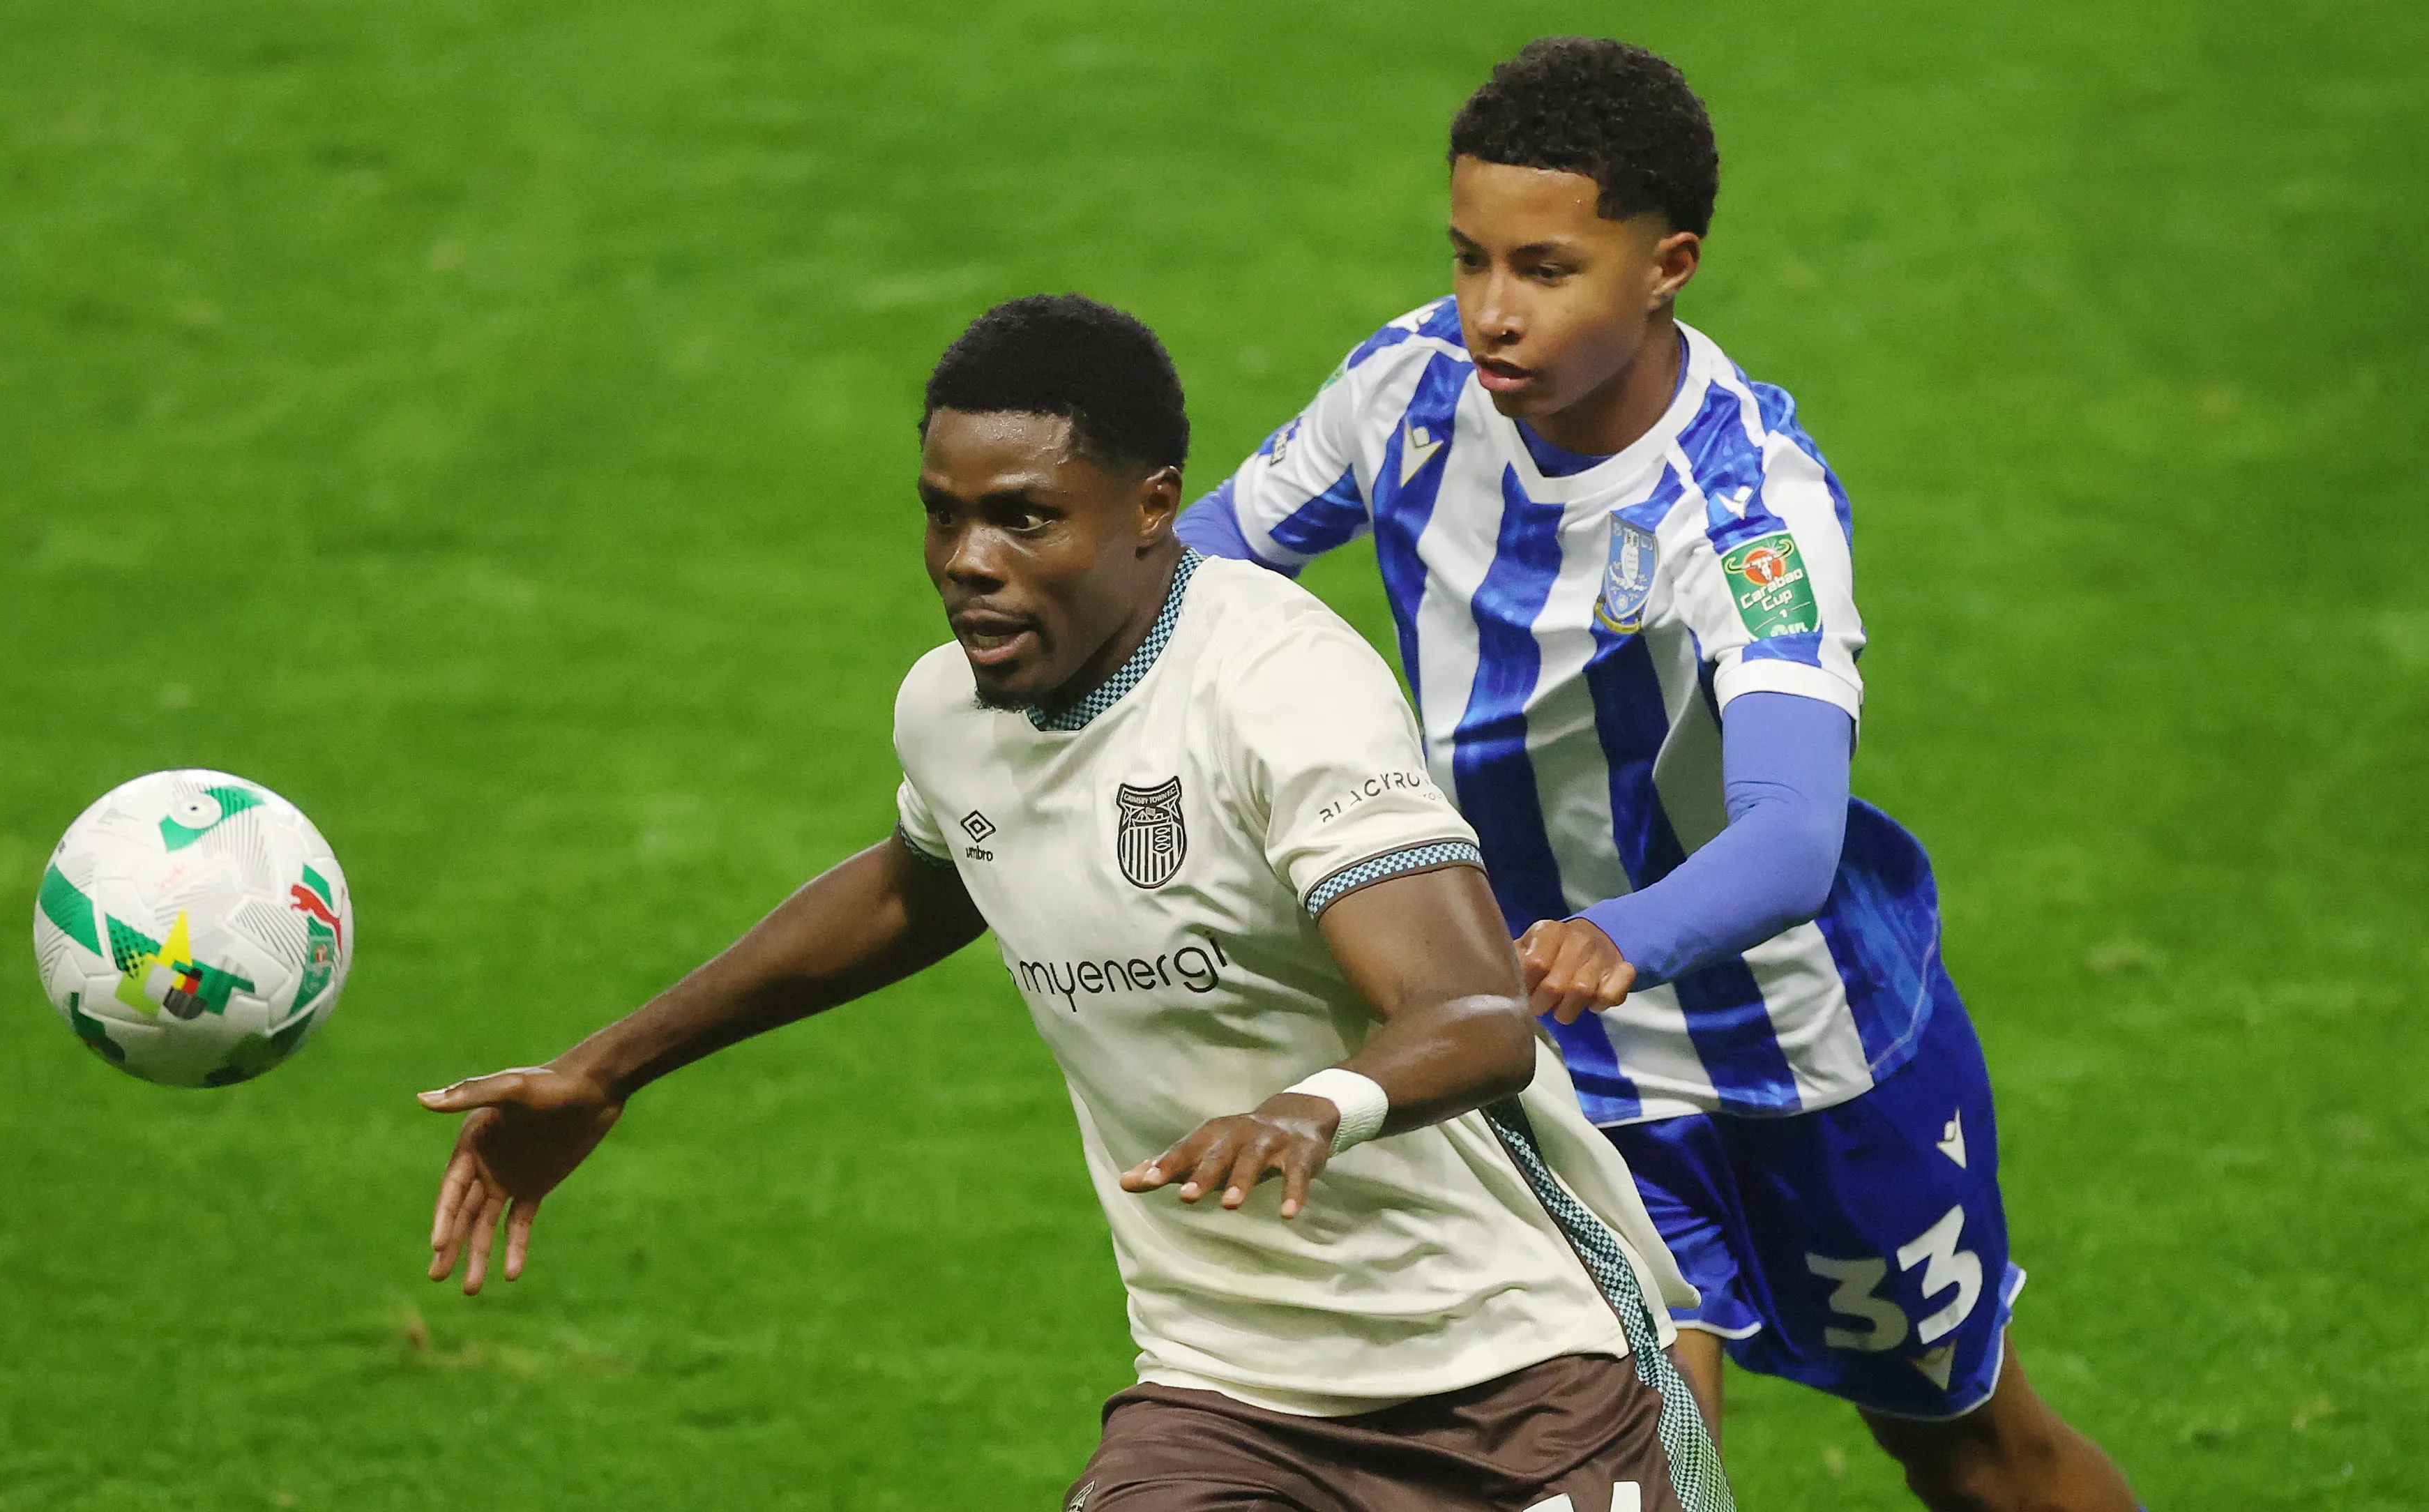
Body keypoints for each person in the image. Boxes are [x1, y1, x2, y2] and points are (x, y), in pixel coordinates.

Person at [420, 294, 1734, 1512]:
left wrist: (1306, 1110)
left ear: (1152, 505)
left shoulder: (1274, 688)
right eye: (942, 516)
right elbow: (918, 885)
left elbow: (1476, 1014)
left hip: (1514, 1372)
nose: (967, 563)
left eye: (1023, 519)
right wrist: (608, 1067)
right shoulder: (951, 711)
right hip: (1227, 1390)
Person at [1172, 36, 2142, 1512]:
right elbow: (1203, 573)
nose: (1490, 311)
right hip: (1559, 1050)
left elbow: (1792, 831)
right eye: (1469, 257)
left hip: (1804, 1053)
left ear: (1665, 267)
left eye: (1545, 269)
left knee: (1969, 1452)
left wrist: (1616, 933)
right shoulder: (1405, 393)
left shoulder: (1746, 509)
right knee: (1639, 1469)